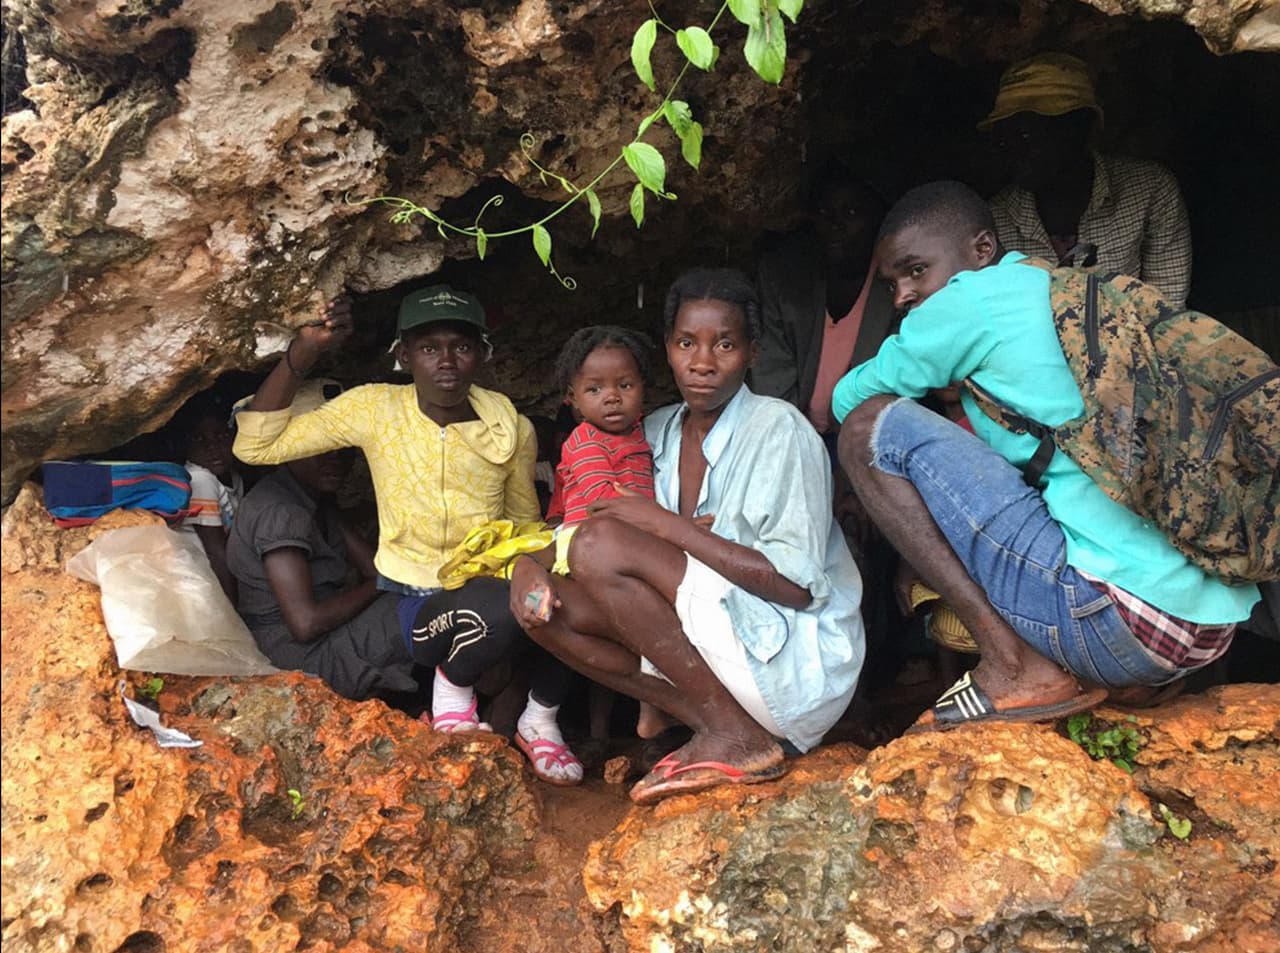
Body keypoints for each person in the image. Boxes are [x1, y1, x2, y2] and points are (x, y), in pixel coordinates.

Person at [832, 181, 1260, 730]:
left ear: (981, 251)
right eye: (893, 283)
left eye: (916, 270)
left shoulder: (970, 299)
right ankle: (1113, 680)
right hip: (1204, 631)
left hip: (1118, 625)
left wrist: (933, 373)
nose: (902, 296)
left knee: (869, 429)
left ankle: (1014, 667)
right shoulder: (1064, 289)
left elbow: (850, 399)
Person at [508, 268, 866, 805]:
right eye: (685, 343)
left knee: (601, 545)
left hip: (794, 661)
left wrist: (665, 526)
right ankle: (719, 726)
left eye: (724, 344)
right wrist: (527, 565)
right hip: (726, 658)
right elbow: (580, 518)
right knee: (546, 610)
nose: (702, 362)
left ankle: (735, 735)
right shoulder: (651, 432)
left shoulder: (779, 429)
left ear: (752, 352)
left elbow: (796, 588)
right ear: (668, 351)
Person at [232, 286, 581, 784]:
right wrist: (303, 352)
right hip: (409, 605)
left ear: (482, 353)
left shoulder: (511, 428)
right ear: (403, 355)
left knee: (559, 603)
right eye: (427, 347)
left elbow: (521, 526)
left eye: (461, 347)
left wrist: (548, 564)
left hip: (476, 586)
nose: (446, 361)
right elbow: (255, 445)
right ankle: (454, 708)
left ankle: (523, 728)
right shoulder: (375, 410)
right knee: (491, 611)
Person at [227, 380, 420, 700]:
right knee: (424, 604)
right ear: (291, 445)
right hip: (300, 662)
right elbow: (306, 623)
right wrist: (388, 582)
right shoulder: (281, 511)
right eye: (321, 447)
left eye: (344, 446)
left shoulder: (310, 497)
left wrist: (387, 578)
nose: (337, 458)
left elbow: (375, 568)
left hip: (317, 644)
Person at [982, 52, 1192, 307]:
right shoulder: (994, 219)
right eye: (1004, 140)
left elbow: (1166, 309)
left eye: (1027, 135)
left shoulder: (1149, 190)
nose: (1014, 151)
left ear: (1081, 127)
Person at [751, 164, 895, 438]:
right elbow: (771, 375)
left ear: (878, 218)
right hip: (791, 434)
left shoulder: (896, 286)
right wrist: (793, 448)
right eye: (823, 213)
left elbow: (894, 386)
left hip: (867, 438)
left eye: (851, 213)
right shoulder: (786, 278)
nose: (835, 225)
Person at [171, 389, 246, 601]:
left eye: (221, 436)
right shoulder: (198, 479)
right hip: (200, 581)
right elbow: (216, 551)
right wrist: (235, 609)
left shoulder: (234, 478)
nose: (212, 447)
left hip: (216, 575)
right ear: (185, 445)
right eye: (199, 439)